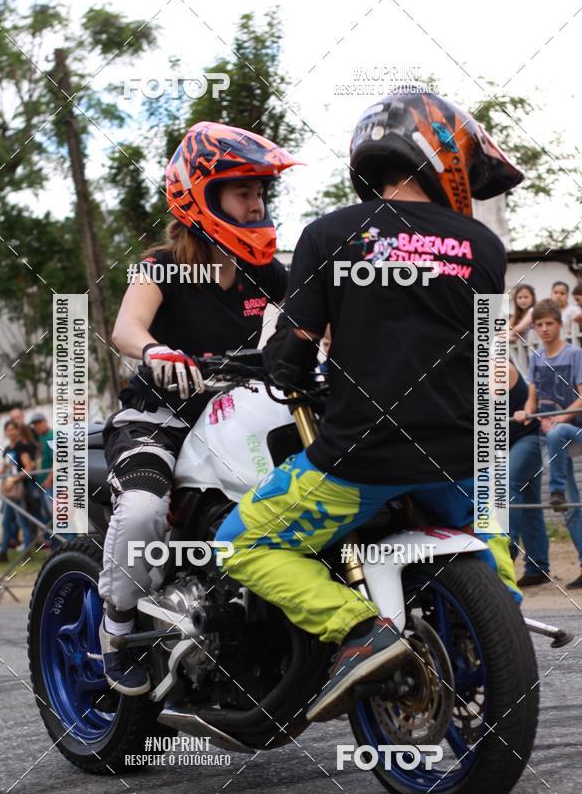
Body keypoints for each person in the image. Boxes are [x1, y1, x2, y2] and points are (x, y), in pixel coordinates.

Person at [216, 91, 525, 722]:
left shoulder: (329, 234)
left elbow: (288, 358)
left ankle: (358, 629)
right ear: (440, 157)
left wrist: (289, 363)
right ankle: (494, 629)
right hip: (469, 460)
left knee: (239, 543)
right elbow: (495, 371)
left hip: (362, 461)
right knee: (490, 542)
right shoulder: (484, 248)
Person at [97, 121, 299, 694]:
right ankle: (118, 630)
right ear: (203, 195)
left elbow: (313, 322)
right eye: (244, 191)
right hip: (159, 419)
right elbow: (126, 327)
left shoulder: (266, 273)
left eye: (260, 192)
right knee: (139, 511)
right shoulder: (160, 264)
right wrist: (156, 349)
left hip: (241, 411)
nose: (256, 202)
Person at [514, 298, 582, 590]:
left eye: (549, 324)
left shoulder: (574, 354)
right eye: (539, 324)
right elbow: (532, 396)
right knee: (567, 503)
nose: (544, 329)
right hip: (547, 438)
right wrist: (525, 411)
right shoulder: (536, 358)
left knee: (556, 434)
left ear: (560, 324)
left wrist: (559, 418)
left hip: (570, 431)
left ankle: (554, 490)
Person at [508, 359, 551, 587]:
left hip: (528, 437)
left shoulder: (499, 366)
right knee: (529, 505)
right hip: (510, 442)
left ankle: (506, 555)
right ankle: (537, 568)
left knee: (508, 487)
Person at [0, 420, 37, 562]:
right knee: (6, 522)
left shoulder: (21, 447)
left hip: (18, 490)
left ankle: (26, 552)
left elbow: (29, 467)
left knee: (22, 522)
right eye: (8, 429)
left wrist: (14, 479)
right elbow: (5, 468)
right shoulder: (7, 449)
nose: (10, 432)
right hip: (9, 491)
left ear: (18, 431)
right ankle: (3, 553)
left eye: (13, 429)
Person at [29, 413, 54, 548]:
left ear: (45, 422)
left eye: (39, 422)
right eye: (34, 424)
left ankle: (66, 545)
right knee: (50, 518)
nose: (36, 426)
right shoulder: (40, 438)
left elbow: (58, 459)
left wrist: (50, 478)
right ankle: (55, 546)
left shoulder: (52, 436)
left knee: (58, 516)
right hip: (43, 484)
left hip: (52, 484)